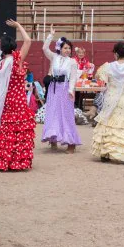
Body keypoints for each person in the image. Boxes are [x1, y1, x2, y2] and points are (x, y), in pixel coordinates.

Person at [0, 20, 36, 171]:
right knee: (20, 130)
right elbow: (28, 40)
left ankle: (2, 160)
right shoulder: (16, 60)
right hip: (18, 99)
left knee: (7, 131)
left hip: (6, 100)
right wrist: (19, 25)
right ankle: (18, 161)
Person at [41, 25, 82, 153]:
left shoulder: (72, 62)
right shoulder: (54, 57)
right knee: (53, 114)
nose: (68, 50)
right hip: (53, 89)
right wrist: (50, 35)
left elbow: (73, 78)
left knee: (66, 115)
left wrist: (71, 91)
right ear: (60, 48)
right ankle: (53, 139)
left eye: (69, 48)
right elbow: (44, 48)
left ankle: (71, 143)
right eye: (65, 48)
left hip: (65, 90)